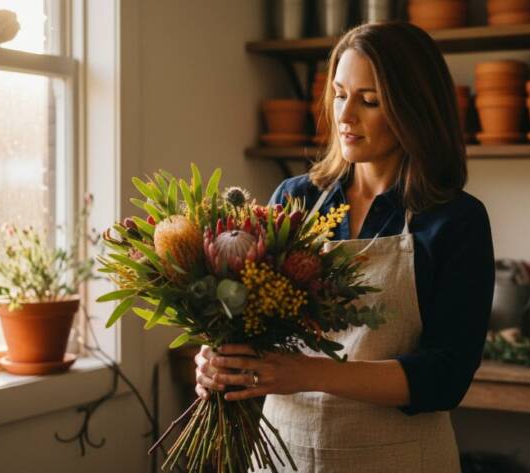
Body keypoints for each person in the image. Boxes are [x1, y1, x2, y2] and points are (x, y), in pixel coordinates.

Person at [195, 21, 494, 472]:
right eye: (339, 94)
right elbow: (249, 331)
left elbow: (445, 377)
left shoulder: (455, 220)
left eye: (369, 100)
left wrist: (309, 374)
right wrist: (218, 361)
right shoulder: (294, 200)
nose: (345, 115)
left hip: (398, 458)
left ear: (413, 110)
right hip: (284, 455)